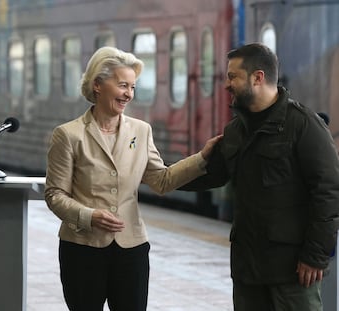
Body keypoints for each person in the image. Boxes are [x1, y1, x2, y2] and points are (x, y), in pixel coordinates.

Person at [44, 46, 222, 311]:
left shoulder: (141, 130)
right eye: (123, 85)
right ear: (97, 85)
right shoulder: (68, 135)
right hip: (82, 248)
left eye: (133, 87)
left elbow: (161, 180)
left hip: (131, 248)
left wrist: (202, 158)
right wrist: (88, 216)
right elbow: (55, 195)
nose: (129, 94)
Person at [180, 43, 339, 311]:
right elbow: (210, 175)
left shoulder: (303, 124)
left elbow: (329, 191)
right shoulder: (236, 130)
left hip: (292, 272)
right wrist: (151, 173)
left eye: (233, 76)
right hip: (247, 271)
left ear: (258, 77)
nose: (227, 84)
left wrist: (315, 256)